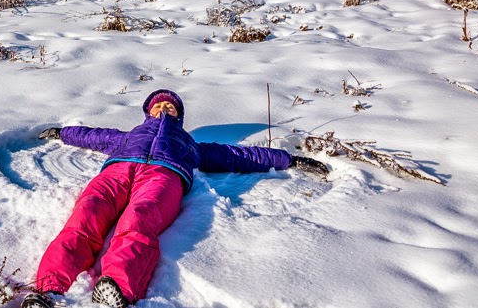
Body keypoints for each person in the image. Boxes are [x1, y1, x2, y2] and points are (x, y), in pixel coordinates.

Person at [22, 89, 328, 308]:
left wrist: (287, 160)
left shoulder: (190, 144)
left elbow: (238, 154)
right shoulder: (128, 136)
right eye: (159, 107)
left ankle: (117, 286)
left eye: (170, 107)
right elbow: (94, 136)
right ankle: (49, 289)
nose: (164, 110)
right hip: (118, 170)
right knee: (87, 214)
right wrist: (63, 133)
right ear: (149, 112)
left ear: (178, 116)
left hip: (164, 176)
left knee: (139, 219)